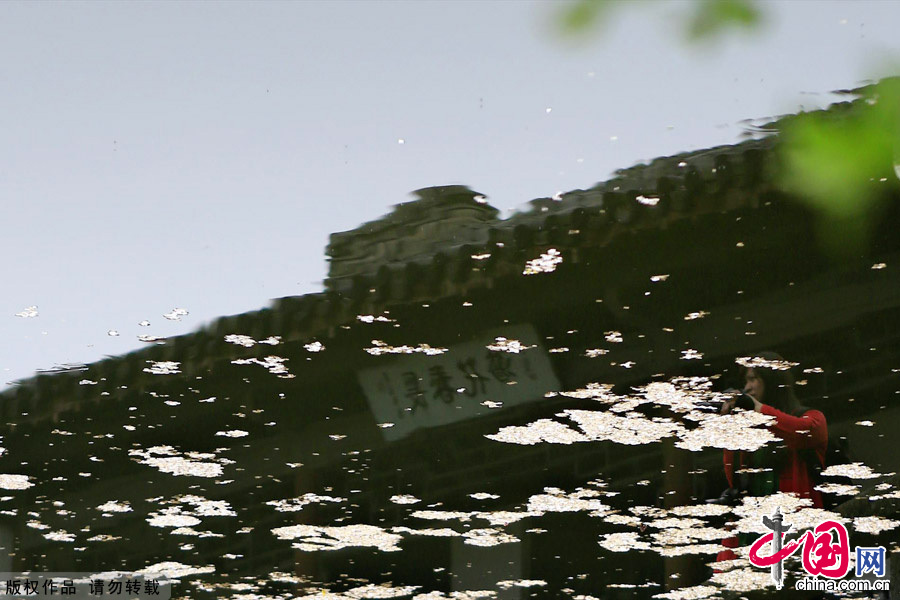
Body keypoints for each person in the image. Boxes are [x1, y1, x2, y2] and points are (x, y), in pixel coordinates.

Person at [715, 351, 828, 562]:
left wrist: (758, 409)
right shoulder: (749, 434)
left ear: (772, 381)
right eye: (745, 381)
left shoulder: (811, 418)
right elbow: (733, 478)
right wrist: (729, 425)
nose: (747, 387)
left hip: (795, 535)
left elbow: (802, 431)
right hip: (751, 538)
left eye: (752, 379)